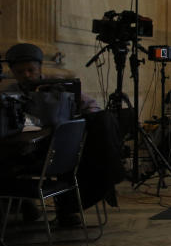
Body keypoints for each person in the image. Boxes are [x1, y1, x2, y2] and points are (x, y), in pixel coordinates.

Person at [2, 43, 123, 225]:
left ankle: (51, 207)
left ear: (39, 68)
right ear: (12, 72)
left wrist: (74, 122)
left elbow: (92, 106)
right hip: (32, 146)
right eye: (20, 72)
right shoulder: (10, 93)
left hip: (57, 152)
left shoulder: (58, 88)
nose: (26, 75)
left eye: (30, 70)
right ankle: (24, 205)